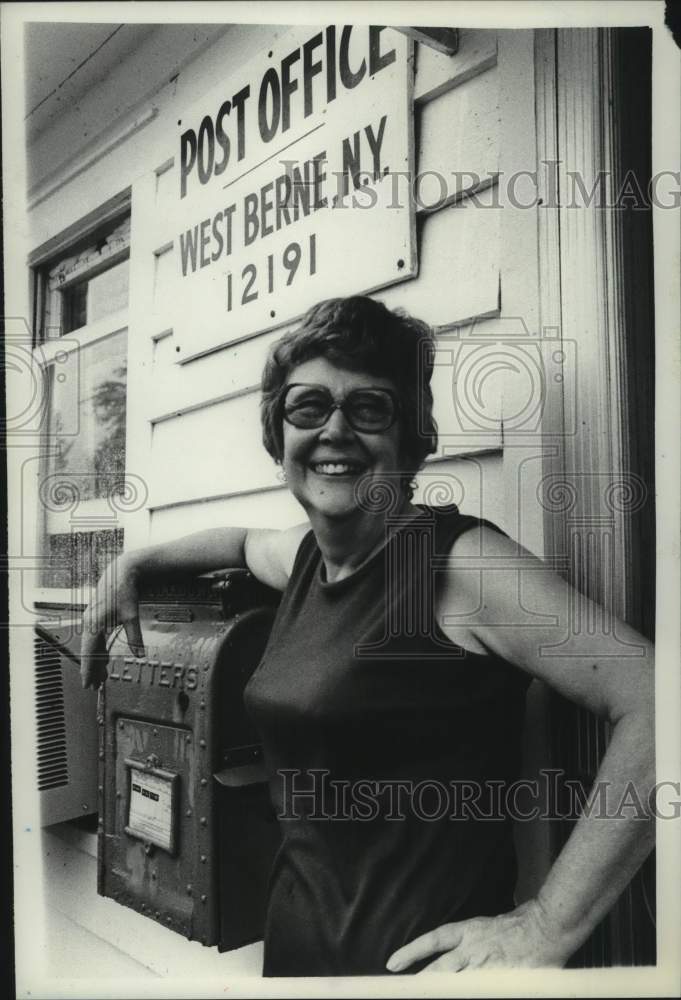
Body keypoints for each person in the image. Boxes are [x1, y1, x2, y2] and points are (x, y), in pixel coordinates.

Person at [81, 295, 654, 977]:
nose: (335, 430)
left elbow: (659, 704)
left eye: (369, 408)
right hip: (295, 957)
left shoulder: (455, 564)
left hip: (416, 974)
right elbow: (236, 541)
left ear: (411, 440)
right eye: (307, 408)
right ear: (278, 437)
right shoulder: (301, 560)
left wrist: (547, 925)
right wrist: (130, 564)